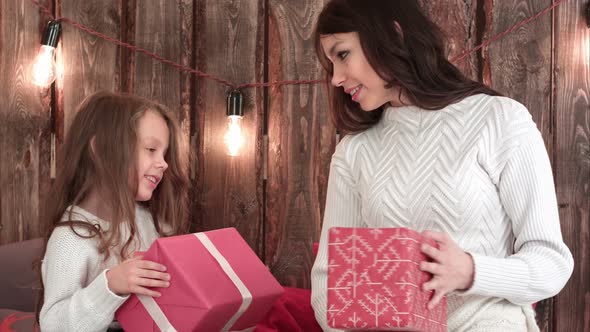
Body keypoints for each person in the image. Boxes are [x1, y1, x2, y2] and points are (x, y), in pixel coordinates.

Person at [309, 0, 574, 331]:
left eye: (343, 54)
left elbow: (551, 264)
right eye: (329, 64)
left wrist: (470, 271)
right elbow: (327, 284)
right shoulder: (353, 153)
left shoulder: (499, 120)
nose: (335, 78)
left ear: (393, 35)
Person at [36, 91, 189, 331]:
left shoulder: (148, 222)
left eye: (164, 153)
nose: (164, 163)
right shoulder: (70, 239)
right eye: (151, 149)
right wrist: (110, 285)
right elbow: (53, 325)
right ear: (103, 150)